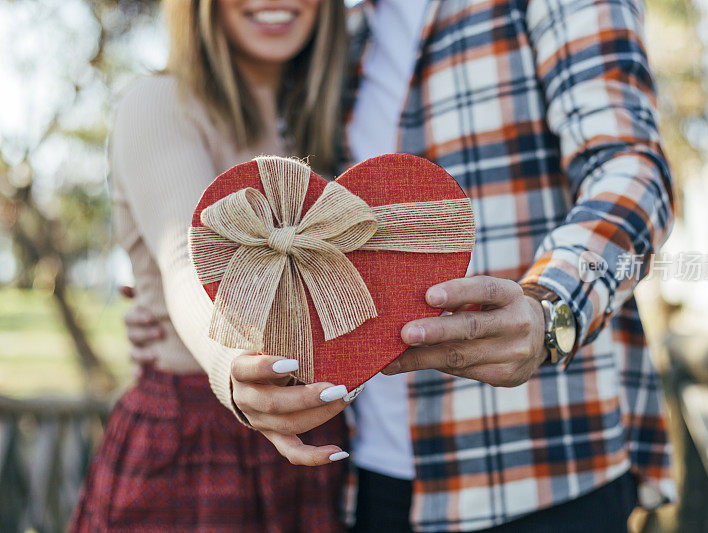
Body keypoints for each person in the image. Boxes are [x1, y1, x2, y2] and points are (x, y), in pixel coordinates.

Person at [129, 0, 677, 531]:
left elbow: (630, 168)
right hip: (362, 478)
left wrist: (552, 308)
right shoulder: (342, 37)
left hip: (538, 468)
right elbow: (210, 256)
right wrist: (202, 342)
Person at [71, 1, 352, 531]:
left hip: (309, 444)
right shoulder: (159, 104)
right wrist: (231, 367)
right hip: (191, 446)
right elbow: (186, 263)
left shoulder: (324, 119)